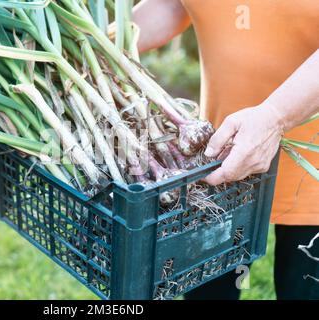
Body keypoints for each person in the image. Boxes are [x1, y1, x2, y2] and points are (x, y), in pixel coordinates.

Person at [134, 0, 319, 300]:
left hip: (313, 173)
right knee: (210, 293)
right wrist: (88, 41)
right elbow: (172, 4)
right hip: (219, 161)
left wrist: (275, 116)